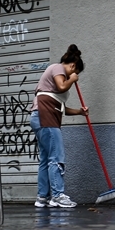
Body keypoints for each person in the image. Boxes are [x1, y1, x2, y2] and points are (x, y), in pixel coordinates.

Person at [30, 44, 89, 208]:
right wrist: (72, 78)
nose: (74, 75)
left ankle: (42, 197)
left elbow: (61, 107)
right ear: (73, 65)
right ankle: (57, 195)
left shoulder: (58, 78)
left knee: (46, 159)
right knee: (56, 157)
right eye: (75, 71)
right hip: (45, 116)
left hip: (43, 115)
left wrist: (80, 112)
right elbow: (62, 86)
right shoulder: (57, 68)